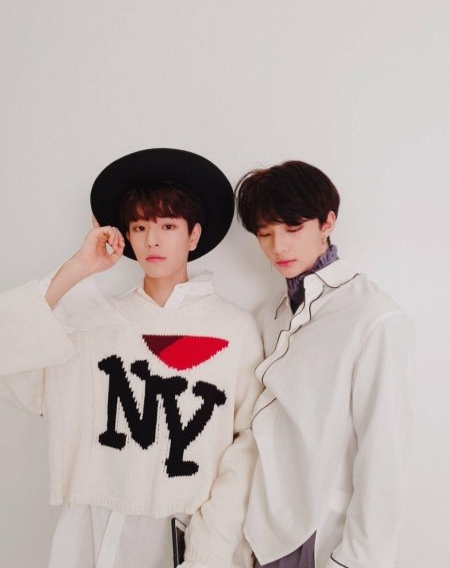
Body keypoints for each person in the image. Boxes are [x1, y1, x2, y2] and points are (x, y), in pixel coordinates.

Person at [0, 148, 263, 568]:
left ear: (194, 235)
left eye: (168, 225)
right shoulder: (94, 322)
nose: (152, 240)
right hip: (88, 530)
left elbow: (248, 446)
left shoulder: (233, 329)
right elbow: (7, 348)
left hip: (180, 536)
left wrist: (211, 548)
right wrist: (79, 267)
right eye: (140, 226)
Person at [235, 161, 415, 568]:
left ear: (327, 223)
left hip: (321, 536)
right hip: (258, 533)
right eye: (265, 233)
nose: (278, 247)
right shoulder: (270, 315)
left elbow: (385, 453)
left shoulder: (373, 317)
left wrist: (355, 559)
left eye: (292, 228)